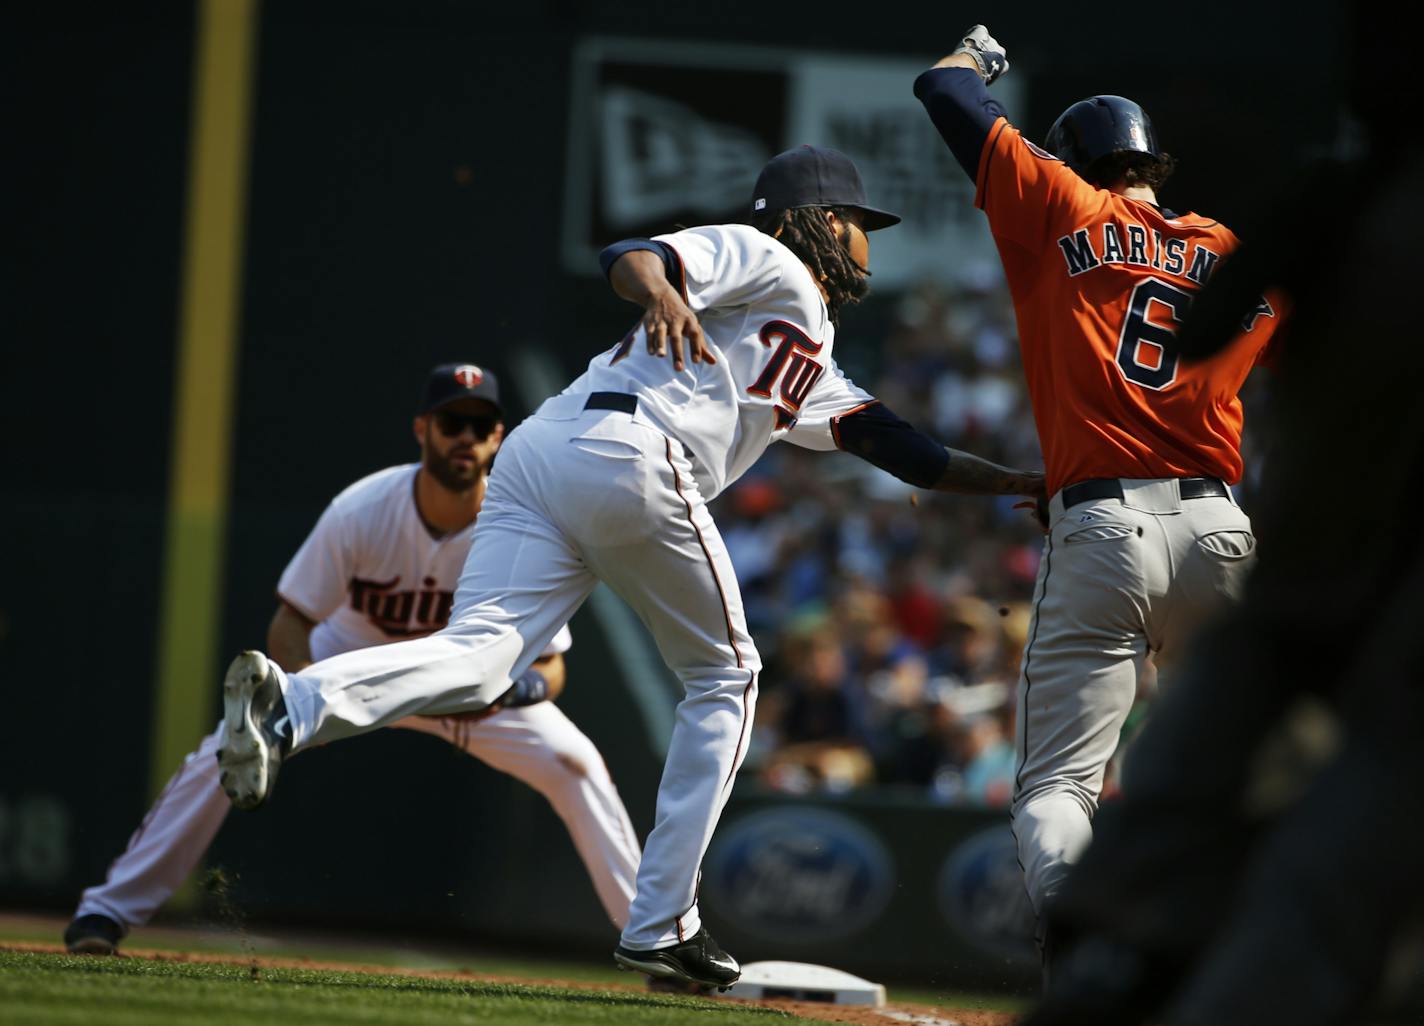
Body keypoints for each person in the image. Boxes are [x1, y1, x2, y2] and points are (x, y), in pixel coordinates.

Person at [212, 144, 1045, 989]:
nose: (866, 242)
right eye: (859, 223)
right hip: (632, 452)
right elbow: (634, 257)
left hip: (544, 454)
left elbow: (903, 448)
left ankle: (294, 705)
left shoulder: (808, 350)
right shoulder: (770, 257)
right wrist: (661, 297)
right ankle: (661, 924)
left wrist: (1018, 481)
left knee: (479, 661)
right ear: (821, 220)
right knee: (728, 678)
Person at [1022, 25, 1424, 1024]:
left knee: (1118, 789)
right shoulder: (1222, 231)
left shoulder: (1336, 200)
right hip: (1233, 534)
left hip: (1266, 559)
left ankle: (1089, 971)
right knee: (1326, 815)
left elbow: (1200, 329)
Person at [913, 25, 1283, 972]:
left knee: (1058, 787)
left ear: (1077, 161)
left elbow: (947, 95)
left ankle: (1081, 953)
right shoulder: (1228, 247)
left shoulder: (1063, 205)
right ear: (1153, 162)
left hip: (1105, 524)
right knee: (1245, 773)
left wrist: (974, 56)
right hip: (1221, 529)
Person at [66, 363, 641, 955]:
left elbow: (552, 666)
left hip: (466, 689)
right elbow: (292, 621)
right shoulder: (363, 508)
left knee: (576, 764)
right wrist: (294, 697)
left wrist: (512, 693)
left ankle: (648, 934)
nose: (466, 435)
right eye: (452, 421)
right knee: (226, 749)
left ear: (499, 436)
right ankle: (106, 913)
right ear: (422, 428)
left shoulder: (519, 521)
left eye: (481, 423)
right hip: (355, 666)